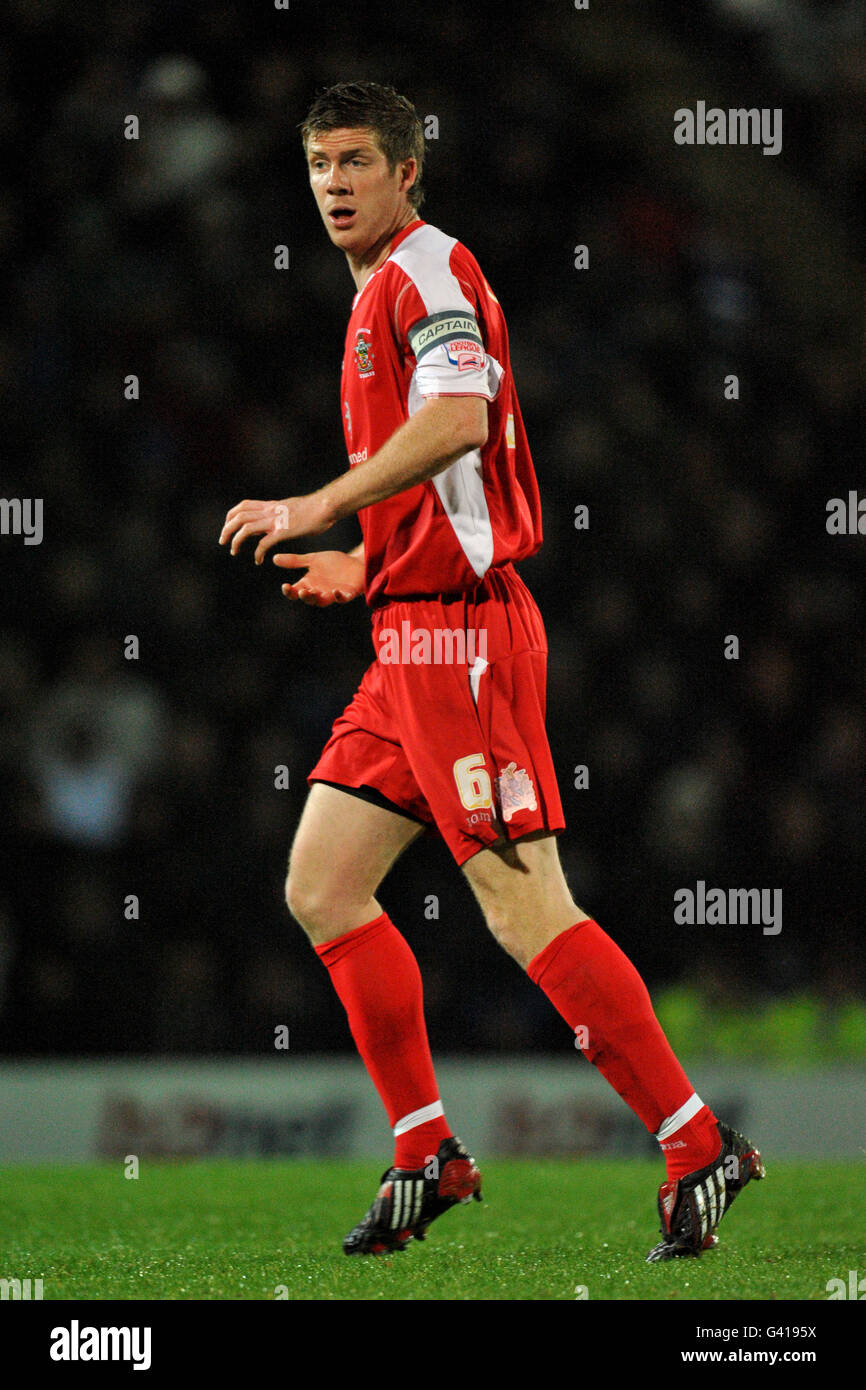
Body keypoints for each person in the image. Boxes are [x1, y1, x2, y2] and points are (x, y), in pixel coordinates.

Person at [219, 81, 763, 1261]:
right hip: (404, 635)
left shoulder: (425, 271)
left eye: (357, 161)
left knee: (526, 913)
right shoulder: (374, 290)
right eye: (318, 165)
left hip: (464, 639)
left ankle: (693, 1139)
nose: (333, 184)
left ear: (409, 170)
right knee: (320, 884)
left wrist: (318, 501)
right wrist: (361, 562)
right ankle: (428, 1151)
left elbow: (462, 419)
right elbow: (436, 482)